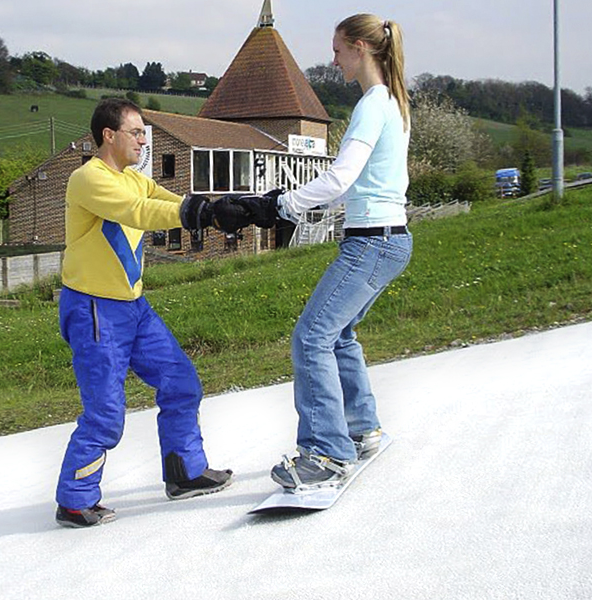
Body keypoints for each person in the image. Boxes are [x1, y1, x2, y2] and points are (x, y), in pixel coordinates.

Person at [230, 14, 413, 491]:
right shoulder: (393, 102)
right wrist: (286, 204)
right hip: (389, 239)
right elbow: (356, 185)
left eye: (337, 50)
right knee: (339, 335)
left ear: (359, 48)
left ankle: (326, 454)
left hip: (372, 242)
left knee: (311, 338)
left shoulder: (373, 105)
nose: (333, 61)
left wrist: (282, 205)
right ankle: (362, 429)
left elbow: (340, 178)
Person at [54, 98, 243, 528]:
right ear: (109, 135)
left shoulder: (134, 179)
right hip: (95, 309)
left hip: (134, 307)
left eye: (144, 133)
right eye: (136, 132)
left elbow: (170, 202)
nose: (143, 140)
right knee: (106, 414)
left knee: (181, 383)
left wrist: (220, 211)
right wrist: (196, 213)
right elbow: (138, 212)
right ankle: (74, 500)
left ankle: (185, 472)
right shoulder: (88, 179)